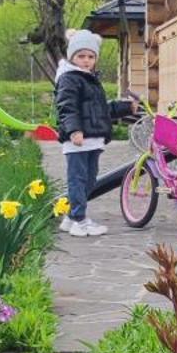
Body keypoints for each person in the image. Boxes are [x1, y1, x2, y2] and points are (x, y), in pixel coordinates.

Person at [53, 29, 113, 238]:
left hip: (92, 140)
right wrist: (74, 130)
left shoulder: (90, 79)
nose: (86, 61)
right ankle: (80, 220)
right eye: (81, 56)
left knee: (89, 180)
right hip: (78, 139)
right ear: (72, 57)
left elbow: (100, 109)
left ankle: (70, 218)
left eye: (90, 56)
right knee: (78, 179)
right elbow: (67, 107)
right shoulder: (69, 79)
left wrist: (125, 108)